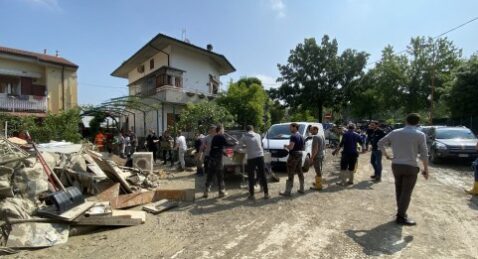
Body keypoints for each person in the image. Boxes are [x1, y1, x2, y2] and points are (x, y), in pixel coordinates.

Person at [378, 113, 429, 226]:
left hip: (396, 165)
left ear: (406, 120)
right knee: (406, 192)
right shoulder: (420, 135)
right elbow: (424, 153)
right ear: (418, 122)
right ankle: (401, 216)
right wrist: (425, 169)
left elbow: (380, 143)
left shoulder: (395, 132)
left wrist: (386, 155)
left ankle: (400, 212)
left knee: (399, 189)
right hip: (411, 166)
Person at [203, 125, 236, 198]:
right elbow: (227, 144)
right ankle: (221, 192)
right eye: (223, 129)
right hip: (218, 159)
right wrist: (235, 144)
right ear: (220, 130)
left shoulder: (214, 137)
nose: (224, 131)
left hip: (212, 158)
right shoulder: (221, 136)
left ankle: (206, 191)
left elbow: (216, 148)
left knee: (210, 175)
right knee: (220, 175)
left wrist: (225, 154)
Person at [239, 125, 269, 200]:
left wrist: (242, 150)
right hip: (260, 156)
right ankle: (266, 194)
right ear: (253, 129)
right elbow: (256, 144)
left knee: (251, 176)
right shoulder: (258, 135)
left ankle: (252, 195)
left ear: (246, 130)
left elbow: (238, 147)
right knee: (263, 175)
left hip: (251, 158)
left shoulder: (244, 137)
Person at [280, 123, 305, 196]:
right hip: (300, 154)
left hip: (294, 155)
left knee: (290, 172)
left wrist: (285, 146)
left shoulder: (293, 136)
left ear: (295, 127)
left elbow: (291, 147)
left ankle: (287, 191)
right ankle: (302, 188)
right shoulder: (301, 136)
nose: (289, 129)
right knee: (300, 171)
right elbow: (302, 147)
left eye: (290, 127)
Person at [310, 126, 326, 190]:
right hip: (321, 155)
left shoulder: (315, 137)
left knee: (318, 171)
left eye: (311, 130)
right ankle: (318, 182)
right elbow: (324, 146)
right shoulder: (321, 135)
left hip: (317, 156)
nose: (310, 132)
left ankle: (318, 186)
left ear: (316, 130)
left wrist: (311, 158)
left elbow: (315, 149)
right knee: (319, 169)